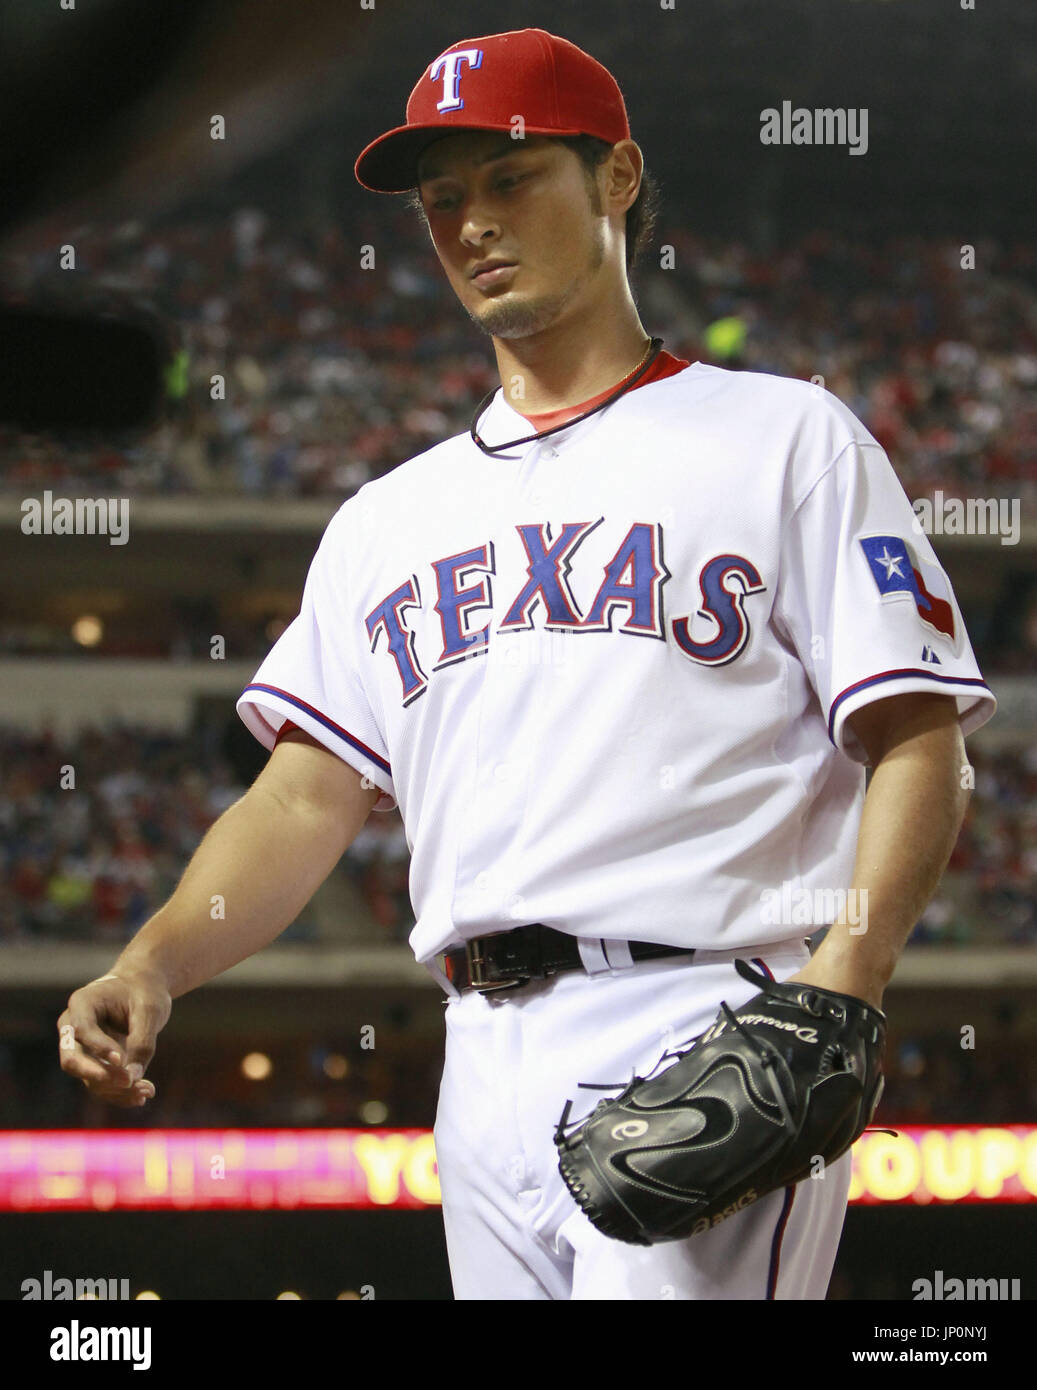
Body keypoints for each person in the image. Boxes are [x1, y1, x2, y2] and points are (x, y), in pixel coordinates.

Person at [58, 28, 995, 1300]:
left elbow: (916, 737)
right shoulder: (386, 517)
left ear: (615, 180)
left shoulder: (781, 437)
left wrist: (847, 982)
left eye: (510, 182)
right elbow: (299, 796)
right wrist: (151, 963)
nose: (470, 226)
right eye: (442, 201)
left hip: (703, 1021)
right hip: (477, 1055)